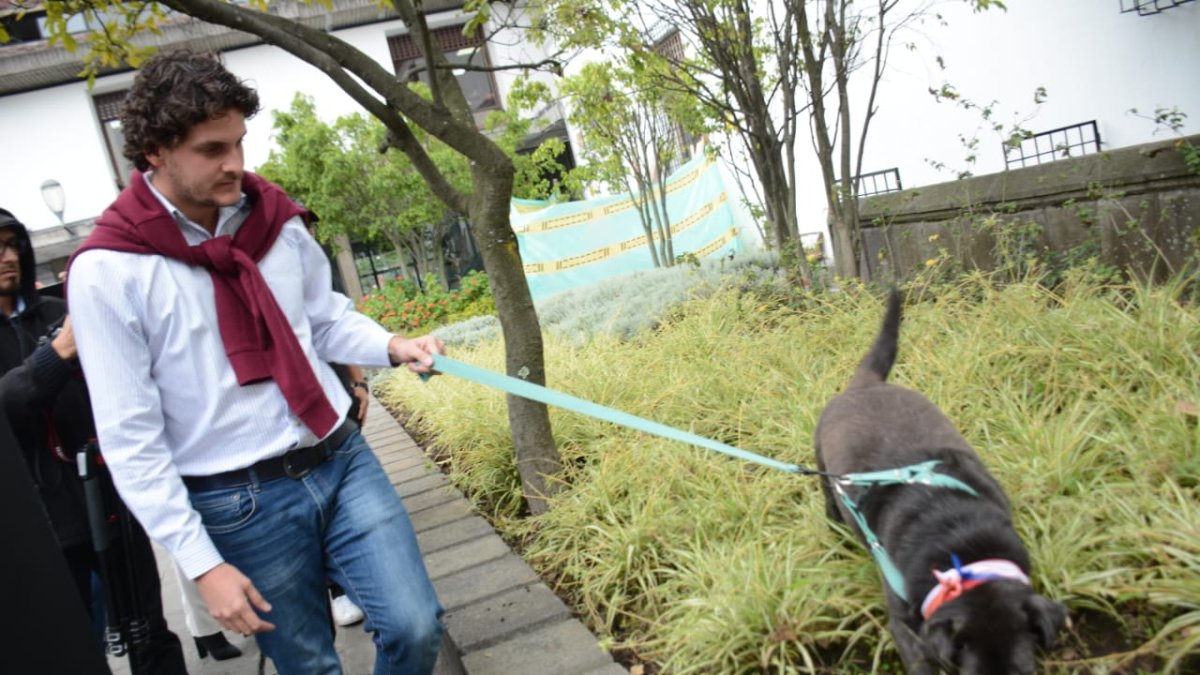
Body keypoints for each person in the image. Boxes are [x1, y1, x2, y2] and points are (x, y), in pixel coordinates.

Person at [67, 49, 445, 675]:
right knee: (310, 667)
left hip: (340, 458)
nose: (236, 165)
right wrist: (203, 564)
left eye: (239, 142)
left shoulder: (273, 220)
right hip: (236, 501)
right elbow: (132, 441)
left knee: (415, 625)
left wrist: (391, 345)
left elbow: (321, 317)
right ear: (156, 151)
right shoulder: (108, 272)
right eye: (213, 150)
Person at [0, 208, 187, 674]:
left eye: (11, 244)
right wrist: (56, 356)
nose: (6, 257)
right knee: (70, 648)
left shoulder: (60, 311)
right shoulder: (63, 333)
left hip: (108, 497)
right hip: (40, 525)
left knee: (149, 631)